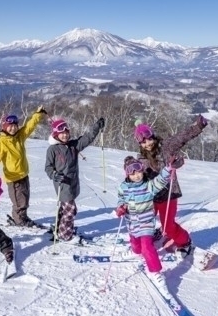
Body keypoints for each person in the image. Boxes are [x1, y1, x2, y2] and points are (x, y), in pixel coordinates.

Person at [134, 115, 208, 257]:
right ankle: (150, 236)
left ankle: (185, 241)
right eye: (143, 142)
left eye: (149, 139)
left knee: (168, 226)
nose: (147, 144)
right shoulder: (141, 158)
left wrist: (198, 127)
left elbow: (182, 137)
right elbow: (136, 178)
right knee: (144, 221)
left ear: (153, 136)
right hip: (151, 196)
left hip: (169, 194)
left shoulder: (166, 146)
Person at [115, 155, 175, 298]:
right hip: (132, 223)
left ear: (142, 169)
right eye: (132, 172)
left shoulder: (148, 186)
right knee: (136, 246)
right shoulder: (123, 187)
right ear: (127, 173)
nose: (136, 175)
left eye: (139, 170)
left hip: (146, 223)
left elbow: (160, 180)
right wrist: (120, 208)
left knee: (147, 247)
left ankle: (156, 272)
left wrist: (169, 168)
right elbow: (121, 199)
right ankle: (135, 252)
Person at [45, 116, 105, 241]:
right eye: (62, 133)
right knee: (70, 210)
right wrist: (54, 174)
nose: (65, 135)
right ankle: (65, 235)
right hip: (62, 185)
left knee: (65, 208)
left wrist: (97, 126)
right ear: (55, 134)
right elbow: (48, 167)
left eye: (66, 132)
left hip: (73, 183)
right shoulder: (53, 149)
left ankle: (59, 227)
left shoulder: (73, 146)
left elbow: (87, 138)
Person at [0, 106, 47, 227]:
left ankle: (22, 216)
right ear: (5, 126)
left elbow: (30, 126)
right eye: (10, 126)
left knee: (25, 199)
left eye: (15, 126)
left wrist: (38, 114)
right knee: (19, 201)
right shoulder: (2, 141)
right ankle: (19, 220)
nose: (13, 128)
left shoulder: (19, 136)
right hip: (13, 178)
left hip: (23, 174)